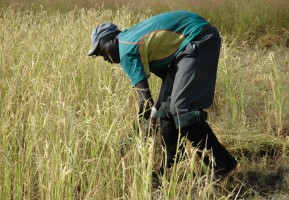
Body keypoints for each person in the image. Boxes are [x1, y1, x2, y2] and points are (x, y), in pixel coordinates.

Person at [87, 10, 237, 180]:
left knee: (182, 109)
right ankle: (171, 165)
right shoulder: (136, 42)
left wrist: (139, 133)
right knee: (165, 111)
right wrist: (155, 114)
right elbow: (167, 81)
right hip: (185, 48)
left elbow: (145, 102)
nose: (105, 58)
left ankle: (223, 163)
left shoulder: (126, 49)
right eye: (100, 56)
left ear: (113, 39)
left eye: (102, 50)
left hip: (198, 38)